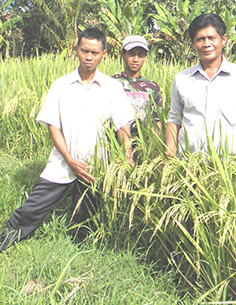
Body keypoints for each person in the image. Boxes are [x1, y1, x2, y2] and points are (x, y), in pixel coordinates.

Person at [0, 27, 135, 251]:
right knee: (33, 207)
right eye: (84, 51)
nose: (89, 57)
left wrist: (127, 155)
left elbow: (122, 126)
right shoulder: (61, 85)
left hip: (95, 165)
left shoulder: (112, 88)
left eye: (94, 52)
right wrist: (69, 159)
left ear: (103, 55)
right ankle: (6, 239)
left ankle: (79, 251)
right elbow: (53, 125)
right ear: (76, 50)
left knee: (86, 216)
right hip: (63, 162)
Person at [165, 13, 236, 158]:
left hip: (230, 165)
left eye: (211, 38)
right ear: (192, 44)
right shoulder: (181, 79)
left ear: (223, 40)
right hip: (189, 164)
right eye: (200, 39)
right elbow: (174, 119)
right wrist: (170, 152)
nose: (206, 44)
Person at [112, 35, 162, 134]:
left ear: (145, 57)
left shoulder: (152, 87)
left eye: (140, 55)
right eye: (131, 54)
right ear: (122, 54)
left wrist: (154, 147)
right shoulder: (111, 83)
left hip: (144, 144)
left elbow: (157, 122)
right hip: (116, 144)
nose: (135, 59)